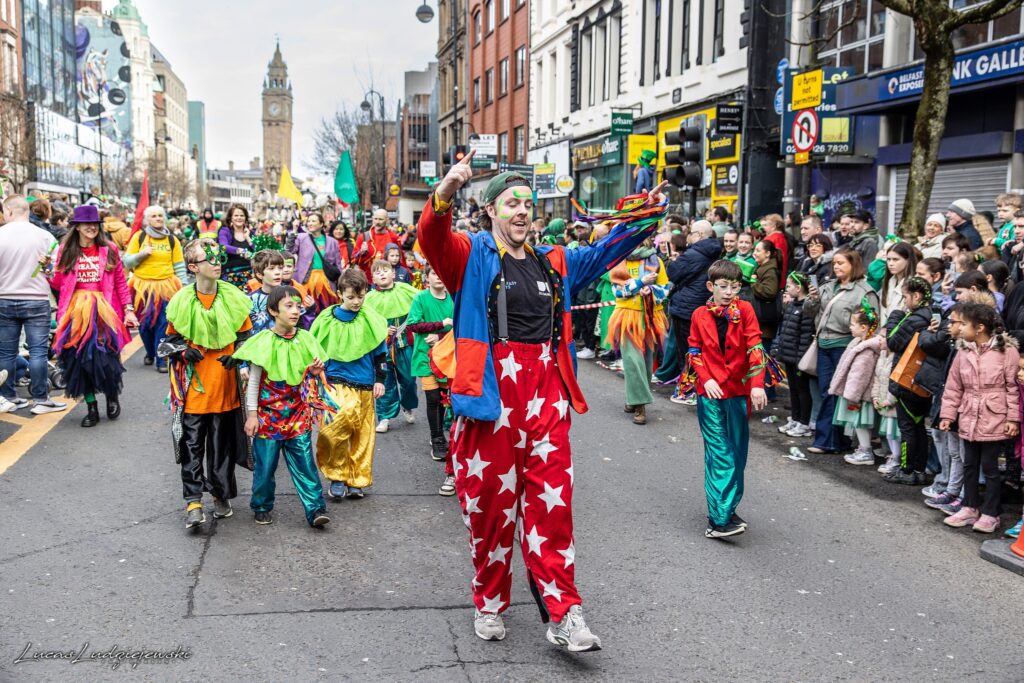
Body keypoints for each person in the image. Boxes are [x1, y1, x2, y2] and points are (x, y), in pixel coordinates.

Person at [417, 149, 668, 650]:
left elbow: (606, 252)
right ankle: (489, 600)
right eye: (511, 203)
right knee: (492, 511)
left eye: (527, 203)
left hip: (546, 397)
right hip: (492, 397)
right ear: (491, 211)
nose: (522, 211)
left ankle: (565, 613)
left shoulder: (553, 260)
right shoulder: (470, 256)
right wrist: (446, 188)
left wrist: (646, 208)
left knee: (553, 511)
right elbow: (432, 237)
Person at [161, 239, 254, 529]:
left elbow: (246, 337)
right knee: (191, 448)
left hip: (226, 390)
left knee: (221, 447)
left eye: (218, 257)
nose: (217, 262)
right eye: (208, 258)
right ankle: (193, 501)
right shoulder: (181, 302)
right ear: (192, 267)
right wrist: (181, 350)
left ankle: (219, 494)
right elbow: (167, 343)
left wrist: (239, 357)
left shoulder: (234, 298)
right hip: (194, 392)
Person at [234, 286, 332, 528]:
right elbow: (254, 382)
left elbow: (309, 381)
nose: (296, 311)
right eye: (289, 306)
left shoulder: (306, 339)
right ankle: (262, 505)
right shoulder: (263, 342)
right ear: (272, 311)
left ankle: (315, 508)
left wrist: (316, 372)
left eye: (298, 306)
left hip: (297, 415)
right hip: (268, 418)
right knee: (265, 468)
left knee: (306, 464)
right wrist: (252, 416)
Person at [686, 259, 768, 537]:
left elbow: (755, 345)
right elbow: (694, 351)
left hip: (737, 392)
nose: (729, 292)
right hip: (709, 393)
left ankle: (728, 507)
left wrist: (758, 384)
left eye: (734, 286)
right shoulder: (699, 314)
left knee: (738, 452)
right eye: (723, 286)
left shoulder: (745, 310)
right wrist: (706, 379)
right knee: (720, 452)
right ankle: (718, 521)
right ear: (711, 286)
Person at [49, 206, 138, 427]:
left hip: (104, 311)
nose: (91, 228)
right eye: (86, 224)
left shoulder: (109, 249)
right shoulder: (65, 249)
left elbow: (119, 281)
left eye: (95, 224)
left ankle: (111, 396)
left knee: (107, 359)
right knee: (79, 361)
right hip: (75, 312)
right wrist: (47, 271)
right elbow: (58, 284)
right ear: (76, 226)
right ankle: (91, 408)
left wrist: (128, 308)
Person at [939, 302, 1020, 533]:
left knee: (991, 467)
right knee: (969, 463)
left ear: (980, 328)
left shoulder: (1006, 351)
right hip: (968, 415)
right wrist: (948, 414)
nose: (960, 328)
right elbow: (954, 386)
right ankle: (970, 506)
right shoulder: (963, 352)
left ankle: (991, 513)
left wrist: (1012, 419)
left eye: (964, 324)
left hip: (994, 416)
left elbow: (1012, 388)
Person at [311, 268, 388, 501]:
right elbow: (315, 349)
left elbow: (380, 355)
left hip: (364, 384)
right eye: (351, 297)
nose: (356, 302)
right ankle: (336, 475)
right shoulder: (325, 319)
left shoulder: (371, 319)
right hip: (335, 382)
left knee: (362, 435)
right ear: (340, 294)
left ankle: (357, 479)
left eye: (361, 296)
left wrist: (380, 380)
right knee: (334, 428)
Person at [804, 247, 880, 454]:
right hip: (823, 343)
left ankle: (832, 441)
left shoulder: (864, 291)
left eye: (841, 263)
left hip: (845, 346)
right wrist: (811, 299)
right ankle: (830, 439)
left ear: (853, 265)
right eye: (834, 263)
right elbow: (810, 312)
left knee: (837, 392)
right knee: (826, 391)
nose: (836, 267)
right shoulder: (827, 286)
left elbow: (873, 323)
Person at [0, 195, 67, 415]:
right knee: (38, 352)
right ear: (26, 211)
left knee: (6, 353)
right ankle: (41, 399)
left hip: (4, 299)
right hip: (37, 300)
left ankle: (8, 396)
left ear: (8, 211)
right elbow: (53, 273)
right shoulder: (45, 237)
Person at [608, 237, 670, 425]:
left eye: (641, 240)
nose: (637, 243)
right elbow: (618, 290)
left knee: (645, 361)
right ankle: (641, 404)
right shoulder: (619, 261)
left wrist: (650, 290)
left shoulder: (656, 261)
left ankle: (632, 399)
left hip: (651, 317)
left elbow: (665, 288)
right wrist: (640, 283)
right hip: (627, 317)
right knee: (632, 360)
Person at [405, 265, 455, 492]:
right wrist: (438, 326)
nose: (439, 278)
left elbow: (458, 325)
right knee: (433, 398)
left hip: (448, 356)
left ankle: (441, 433)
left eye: (442, 273)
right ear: (427, 278)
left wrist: (442, 334)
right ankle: (437, 439)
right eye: (434, 273)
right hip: (425, 357)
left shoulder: (453, 298)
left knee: (445, 398)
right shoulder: (421, 298)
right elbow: (413, 324)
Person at [882, 276, 935, 484]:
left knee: (907, 428)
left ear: (917, 296)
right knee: (918, 426)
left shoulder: (914, 319)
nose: (904, 302)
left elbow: (893, 342)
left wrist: (895, 316)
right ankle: (919, 470)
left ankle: (906, 469)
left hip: (907, 381)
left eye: (905, 297)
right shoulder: (932, 315)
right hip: (922, 382)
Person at [123, 205, 187, 373]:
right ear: (147, 220)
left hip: (166, 286)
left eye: (160, 215)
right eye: (154, 216)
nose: (158, 218)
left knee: (163, 324)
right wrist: (142, 254)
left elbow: (179, 266)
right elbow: (127, 262)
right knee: (144, 326)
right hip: (142, 288)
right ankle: (150, 352)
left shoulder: (172, 240)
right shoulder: (139, 237)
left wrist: (185, 288)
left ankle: (161, 358)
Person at [667, 221, 722, 405]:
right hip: (703, 307)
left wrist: (674, 260)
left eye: (690, 233)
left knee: (688, 351)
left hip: (685, 308)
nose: (688, 236)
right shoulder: (716, 251)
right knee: (700, 349)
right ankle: (698, 387)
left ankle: (687, 390)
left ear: (699, 235)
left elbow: (672, 273)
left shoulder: (693, 253)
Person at [364, 259, 420, 433]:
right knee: (384, 381)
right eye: (377, 272)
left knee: (410, 380)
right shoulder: (369, 298)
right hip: (382, 347)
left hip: (404, 344)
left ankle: (408, 405)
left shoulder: (406, 290)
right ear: (372, 278)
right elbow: (364, 321)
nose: (382, 274)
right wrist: (382, 329)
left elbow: (421, 304)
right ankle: (385, 416)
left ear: (393, 273)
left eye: (385, 270)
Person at [774, 273, 815, 437]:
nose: (786, 288)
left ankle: (804, 422)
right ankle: (795, 418)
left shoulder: (805, 308)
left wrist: (800, 358)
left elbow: (805, 336)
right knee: (793, 389)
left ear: (798, 288)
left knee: (802, 390)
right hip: (789, 356)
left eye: (789, 286)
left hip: (799, 358)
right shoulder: (791, 305)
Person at [288, 211, 342, 315]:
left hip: (327, 282)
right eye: (308, 221)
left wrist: (340, 283)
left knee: (327, 311)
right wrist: (294, 230)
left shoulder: (332, 241)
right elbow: (289, 250)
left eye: (313, 221)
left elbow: (338, 264)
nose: (310, 223)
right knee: (307, 312)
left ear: (321, 224)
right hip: (306, 281)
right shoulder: (301, 237)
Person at [750, 240, 781, 355]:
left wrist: (753, 282)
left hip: (765, 325)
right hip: (761, 323)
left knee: (762, 359)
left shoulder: (770, 271)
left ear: (767, 253)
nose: (754, 253)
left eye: (758, 250)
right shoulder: (763, 267)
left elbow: (770, 291)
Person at [353, 209, 405, 278]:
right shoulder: (363, 237)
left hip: (389, 280)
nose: (377, 222)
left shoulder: (394, 238)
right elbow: (353, 260)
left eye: (380, 219)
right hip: (368, 281)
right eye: (375, 219)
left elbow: (401, 261)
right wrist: (361, 253)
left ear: (387, 220)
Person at [248, 250, 286, 335]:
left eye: (280, 268)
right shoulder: (250, 300)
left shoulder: (290, 295)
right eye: (271, 268)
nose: (277, 272)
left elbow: (300, 324)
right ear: (259, 274)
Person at [218, 204, 255, 289]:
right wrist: (241, 251)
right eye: (236, 215)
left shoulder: (251, 233)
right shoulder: (225, 231)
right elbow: (223, 246)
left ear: (245, 218)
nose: (239, 218)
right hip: (229, 276)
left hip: (249, 276)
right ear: (231, 218)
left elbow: (258, 251)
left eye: (242, 215)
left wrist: (248, 238)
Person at [880, 241, 917, 322]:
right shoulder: (889, 281)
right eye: (888, 259)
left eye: (895, 259)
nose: (890, 263)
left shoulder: (914, 284)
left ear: (908, 260)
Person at [760, 214, 789, 283]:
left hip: (770, 277)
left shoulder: (772, 238)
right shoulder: (781, 237)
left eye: (766, 225)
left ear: (774, 226)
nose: (763, 228)